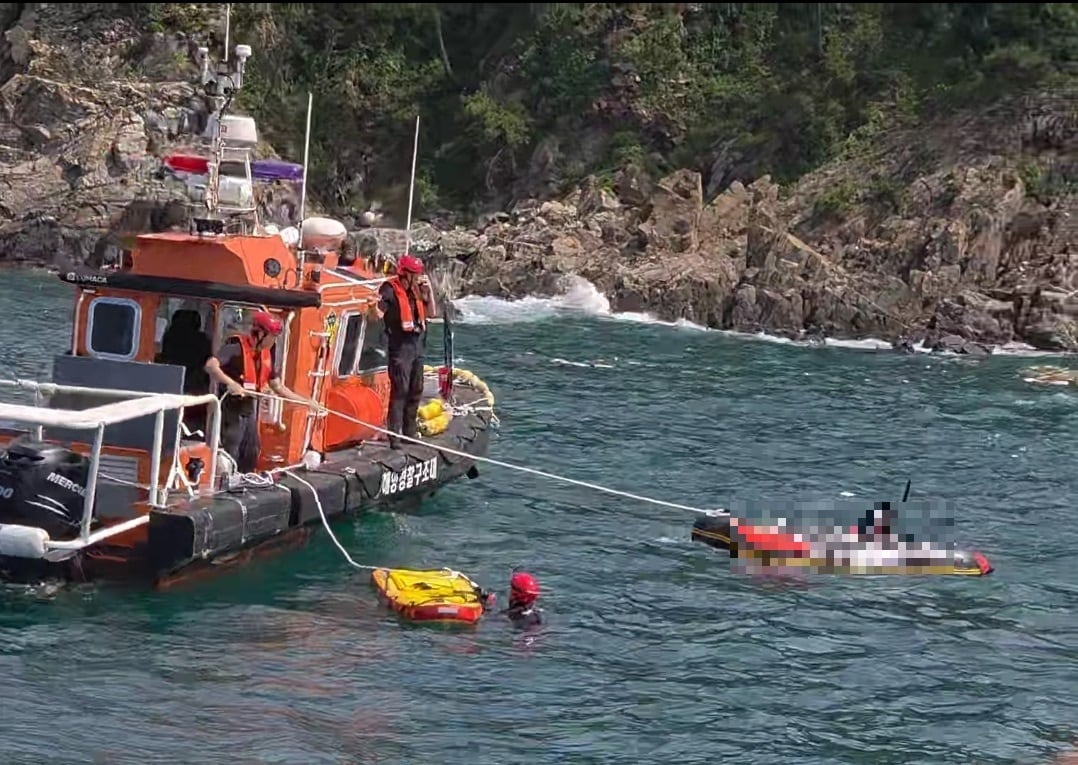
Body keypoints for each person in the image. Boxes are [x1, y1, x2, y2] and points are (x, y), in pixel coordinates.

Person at [203, 310, 321, 473]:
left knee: (252, 450)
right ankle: (225, 482)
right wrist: (231, 383)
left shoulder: (265, 355)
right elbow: (211, 366)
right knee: (232, 450)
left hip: (249, 410)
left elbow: (278, 387)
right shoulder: (235, 347)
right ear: (259, 334)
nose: (273, 341)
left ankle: (245, 481)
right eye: (272, 336)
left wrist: (305, 402)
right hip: (231, 410)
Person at [367, 255, 438, 449]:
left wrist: (429, 291)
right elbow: (377, 316)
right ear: (405, 274)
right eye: (415, 274)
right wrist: (372, 305)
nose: (419, 277)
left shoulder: (417, 290)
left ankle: (410, 431)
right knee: (401, 390)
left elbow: (432, 313)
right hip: (400, 347)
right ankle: (394, 435)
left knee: (416, 388)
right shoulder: (389, 290)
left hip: (416, 345)